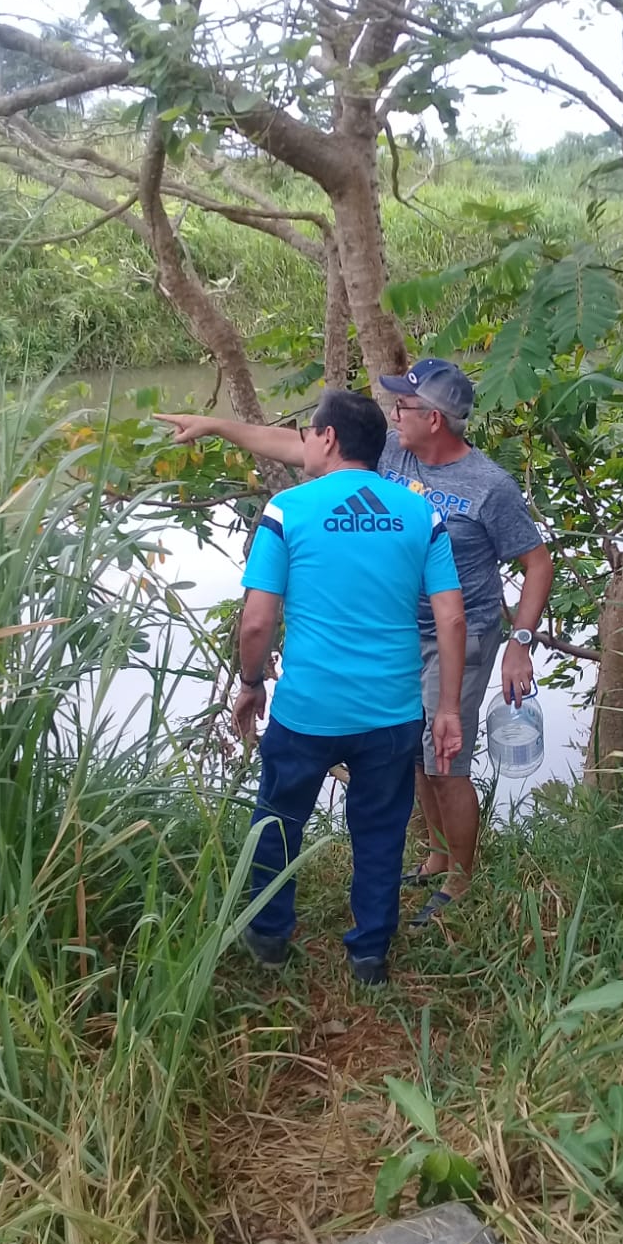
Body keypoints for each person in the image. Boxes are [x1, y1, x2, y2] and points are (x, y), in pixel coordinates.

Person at [157, 356, 552, 923]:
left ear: (434, 419)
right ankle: (437, 856)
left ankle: (460, 880)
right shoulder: (390, 452)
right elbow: (294, 445)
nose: (394, 415)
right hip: (398, 631)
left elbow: (537, 564)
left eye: (403, 406)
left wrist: (520, 642)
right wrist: (216, 425)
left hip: (459, 632)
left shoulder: (490, 486)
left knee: (446, 759)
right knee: (414, 752)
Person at [225, 389, 466, 986]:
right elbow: (452, 618)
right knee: (381, 831)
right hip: (392, 711)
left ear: (328, 437)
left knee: (279, 819)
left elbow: (256, 622)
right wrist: (447, 707)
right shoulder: (421, 512)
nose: (305, 442)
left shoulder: (288, 510)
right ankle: (369, 955)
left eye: (308, 432)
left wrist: (251, 682)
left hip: (308, 709)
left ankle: (268, 937)